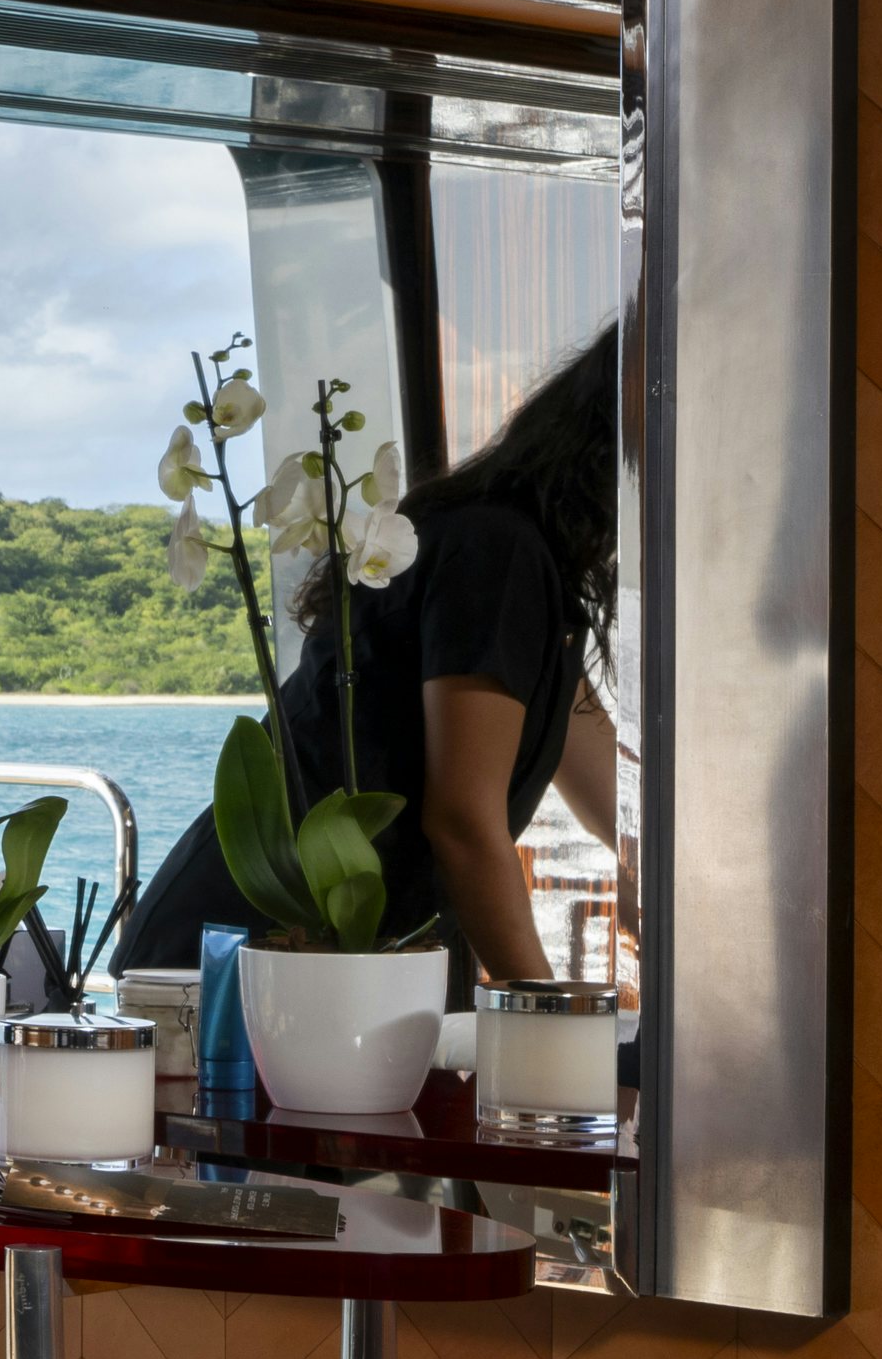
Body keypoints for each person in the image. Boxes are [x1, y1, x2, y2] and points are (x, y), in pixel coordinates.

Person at [122, 328, 624, 985]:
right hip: (245, 964)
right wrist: (548, 1016)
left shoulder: (524, 569)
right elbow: (464, 824)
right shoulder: (495, 552)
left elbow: (597, 774)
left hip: (327, 967)